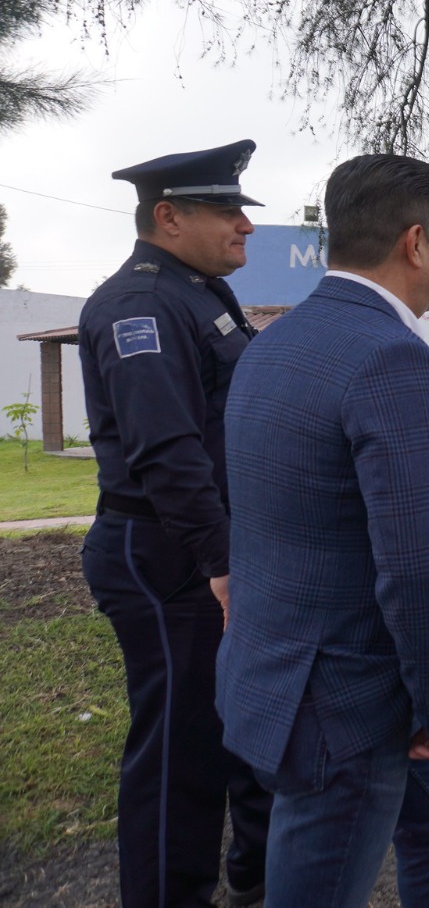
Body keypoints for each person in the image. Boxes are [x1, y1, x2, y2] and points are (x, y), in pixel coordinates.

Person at [217, 153, 429, 908]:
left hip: (276, 669)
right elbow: (421, 564)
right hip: (347, 706)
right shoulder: (391, 358)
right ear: (414, 243)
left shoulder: (274, 342)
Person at [77, 140, 272, 908]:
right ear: (169, 216)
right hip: (165, 554)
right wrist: (221, 565)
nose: (245, 226)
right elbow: (167, 456)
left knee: (237, 722)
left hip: (200, 545)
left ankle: (253, 877)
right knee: (179, 749)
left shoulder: (196, 291)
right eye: (226, 211)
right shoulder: (141, 306)